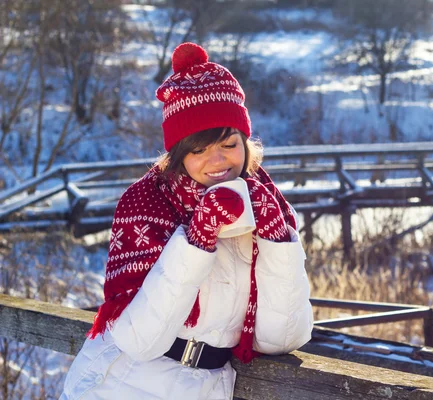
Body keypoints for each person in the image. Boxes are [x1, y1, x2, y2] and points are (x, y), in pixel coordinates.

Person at [60, 42, 313, 400]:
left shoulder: (266, 205)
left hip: (208, 386)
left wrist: (276, 240)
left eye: (228, 144)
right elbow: (138, 340)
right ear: (179, 154)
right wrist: (197, 240)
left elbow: (282, 339)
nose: (218, 161)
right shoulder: (145, 205)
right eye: (199, 149)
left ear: (245, 141)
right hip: (122, 385)